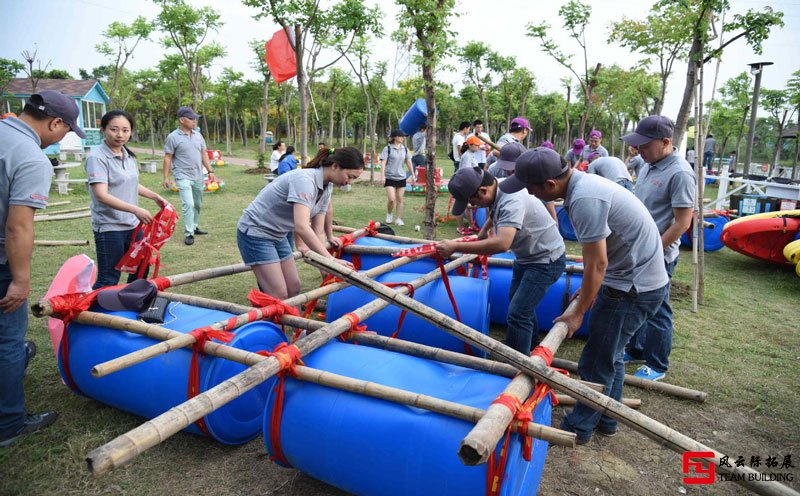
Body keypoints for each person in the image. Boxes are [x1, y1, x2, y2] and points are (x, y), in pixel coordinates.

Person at [500, 147, 668, 445]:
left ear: (550, 185)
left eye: (531, 188)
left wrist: (578, 312)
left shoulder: (584, 199)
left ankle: (579, 426)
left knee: (595, 362)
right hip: (632, 278)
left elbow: (597, 263)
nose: (530, 194)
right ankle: (606, 417)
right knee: (610, 354)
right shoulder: (585, 186)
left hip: (632, 286)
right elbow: (601, 261)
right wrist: (592, 287)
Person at [0, 90, 83, 446]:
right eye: (66, 131)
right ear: (55, 123)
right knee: (7, 339)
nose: (62, 137)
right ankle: (8, 424)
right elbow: (18, 226)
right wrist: (20, 280)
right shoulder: (32, 158)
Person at [437, 164, 566, 354]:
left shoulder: (511, 199)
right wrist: (483, 232)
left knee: (518, 312)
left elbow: (502, 244)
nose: (474, 206)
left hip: (546, 260)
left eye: (472, 201)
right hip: (528, 256)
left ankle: (518, 361)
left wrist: (455, 246)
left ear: (482, 190)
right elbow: (495, 209)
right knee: (518, 302)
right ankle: (528, 344)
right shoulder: (501, 186)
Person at [622, 115, 695, 382]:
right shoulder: (647, 164)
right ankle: (637, 348)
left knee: (657, 307)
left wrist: (653, 250)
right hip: (639, 249)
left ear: (666, 142)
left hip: (659, 254)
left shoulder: (680, 173)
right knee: (638, 301)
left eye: (645, 145)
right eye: (637, 145)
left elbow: (683, 222)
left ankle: (657, 363)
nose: (638, 150)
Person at [237, 147, 362, 298]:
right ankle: (270, 320)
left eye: (354, 179)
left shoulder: (327, 187)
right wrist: (330, 259)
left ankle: (288, 318)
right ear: (335, 166)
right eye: (350, 176)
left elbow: (318, 231)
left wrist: (325, 265)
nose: (350, 182)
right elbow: (302, 226)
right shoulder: (305, 181)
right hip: (256, 232)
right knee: (278, 292)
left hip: (278, 234)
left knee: (294, 287)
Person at [86, 110, 170, 289]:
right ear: (103, 130)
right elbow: (101, 194)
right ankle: (88, 316)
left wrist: (155, 197)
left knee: (141, 269)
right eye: (114, 129)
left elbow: (130, 184)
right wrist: (135, 209)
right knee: (108, 278)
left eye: (125, 130)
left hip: (133, 226)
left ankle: (130, 306)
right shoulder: (97, 157)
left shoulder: (128, 155)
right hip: (110, 227)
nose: (120, 135)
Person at [162, 106, 215, 246]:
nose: (194, 121)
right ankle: (189, 233)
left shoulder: (198, 135)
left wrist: (210, 171)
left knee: (197, 204)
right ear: (182, 120)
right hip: (182, 175)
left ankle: (194, 226)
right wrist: (166, 177)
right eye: (191, 118)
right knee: (188, 204)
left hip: (198, 175)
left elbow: (204, 153)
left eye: (195, 118)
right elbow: (168, 157)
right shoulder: (173, 137)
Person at [380, 129, 416, 226]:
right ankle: (389, 214)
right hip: (389, 177)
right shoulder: (387, 148)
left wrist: (413, 174)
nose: (403, 138)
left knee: (400, 199)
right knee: (391, 199)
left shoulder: (405, 149)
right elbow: (383, 163)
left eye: (403, 136)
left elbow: (408, 162)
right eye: (401, 136)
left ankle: (399, 219)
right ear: (395, 137)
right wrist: (382, 176)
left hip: (401, 177)